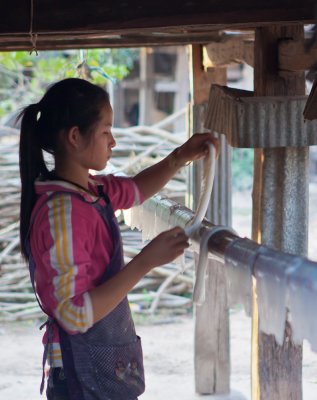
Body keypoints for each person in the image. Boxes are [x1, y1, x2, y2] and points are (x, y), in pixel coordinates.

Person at [18, 77, 218, 400]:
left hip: (100, 360)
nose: (113, 142)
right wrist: (146, 262)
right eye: (106, 131)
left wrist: (180, 156)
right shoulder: (63, 214)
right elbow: (74, 315)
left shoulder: (91, 191)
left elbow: (135, 190)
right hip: (78, 373)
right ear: (74, 137)